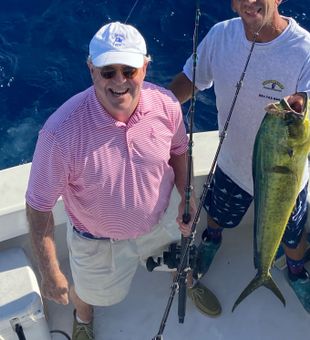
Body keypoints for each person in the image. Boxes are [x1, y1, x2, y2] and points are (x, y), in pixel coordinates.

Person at [25, 22, 221, 340]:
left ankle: (187, 280)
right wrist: (49, 271)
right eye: (108, 72)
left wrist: (186, 196)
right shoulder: (59, 133)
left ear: (145, 67)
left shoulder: (167, 105)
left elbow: (180, 151)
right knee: (94, 294)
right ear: (91, 69)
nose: (119, 82)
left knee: (180, 256)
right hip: (99, 243)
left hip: (164, 215)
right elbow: (38, 207)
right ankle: (84, 317)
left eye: (129, 70)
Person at [169, 0, 310, 313]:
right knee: (217, 215)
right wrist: (153, 112)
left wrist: (301, 102)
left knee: (292, 236)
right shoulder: (221, 36)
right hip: (232, 167)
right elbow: (191, 80)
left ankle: (296, 270)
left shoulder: (305, 49)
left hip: (288, 181)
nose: (249, 1)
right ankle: (212, 239)